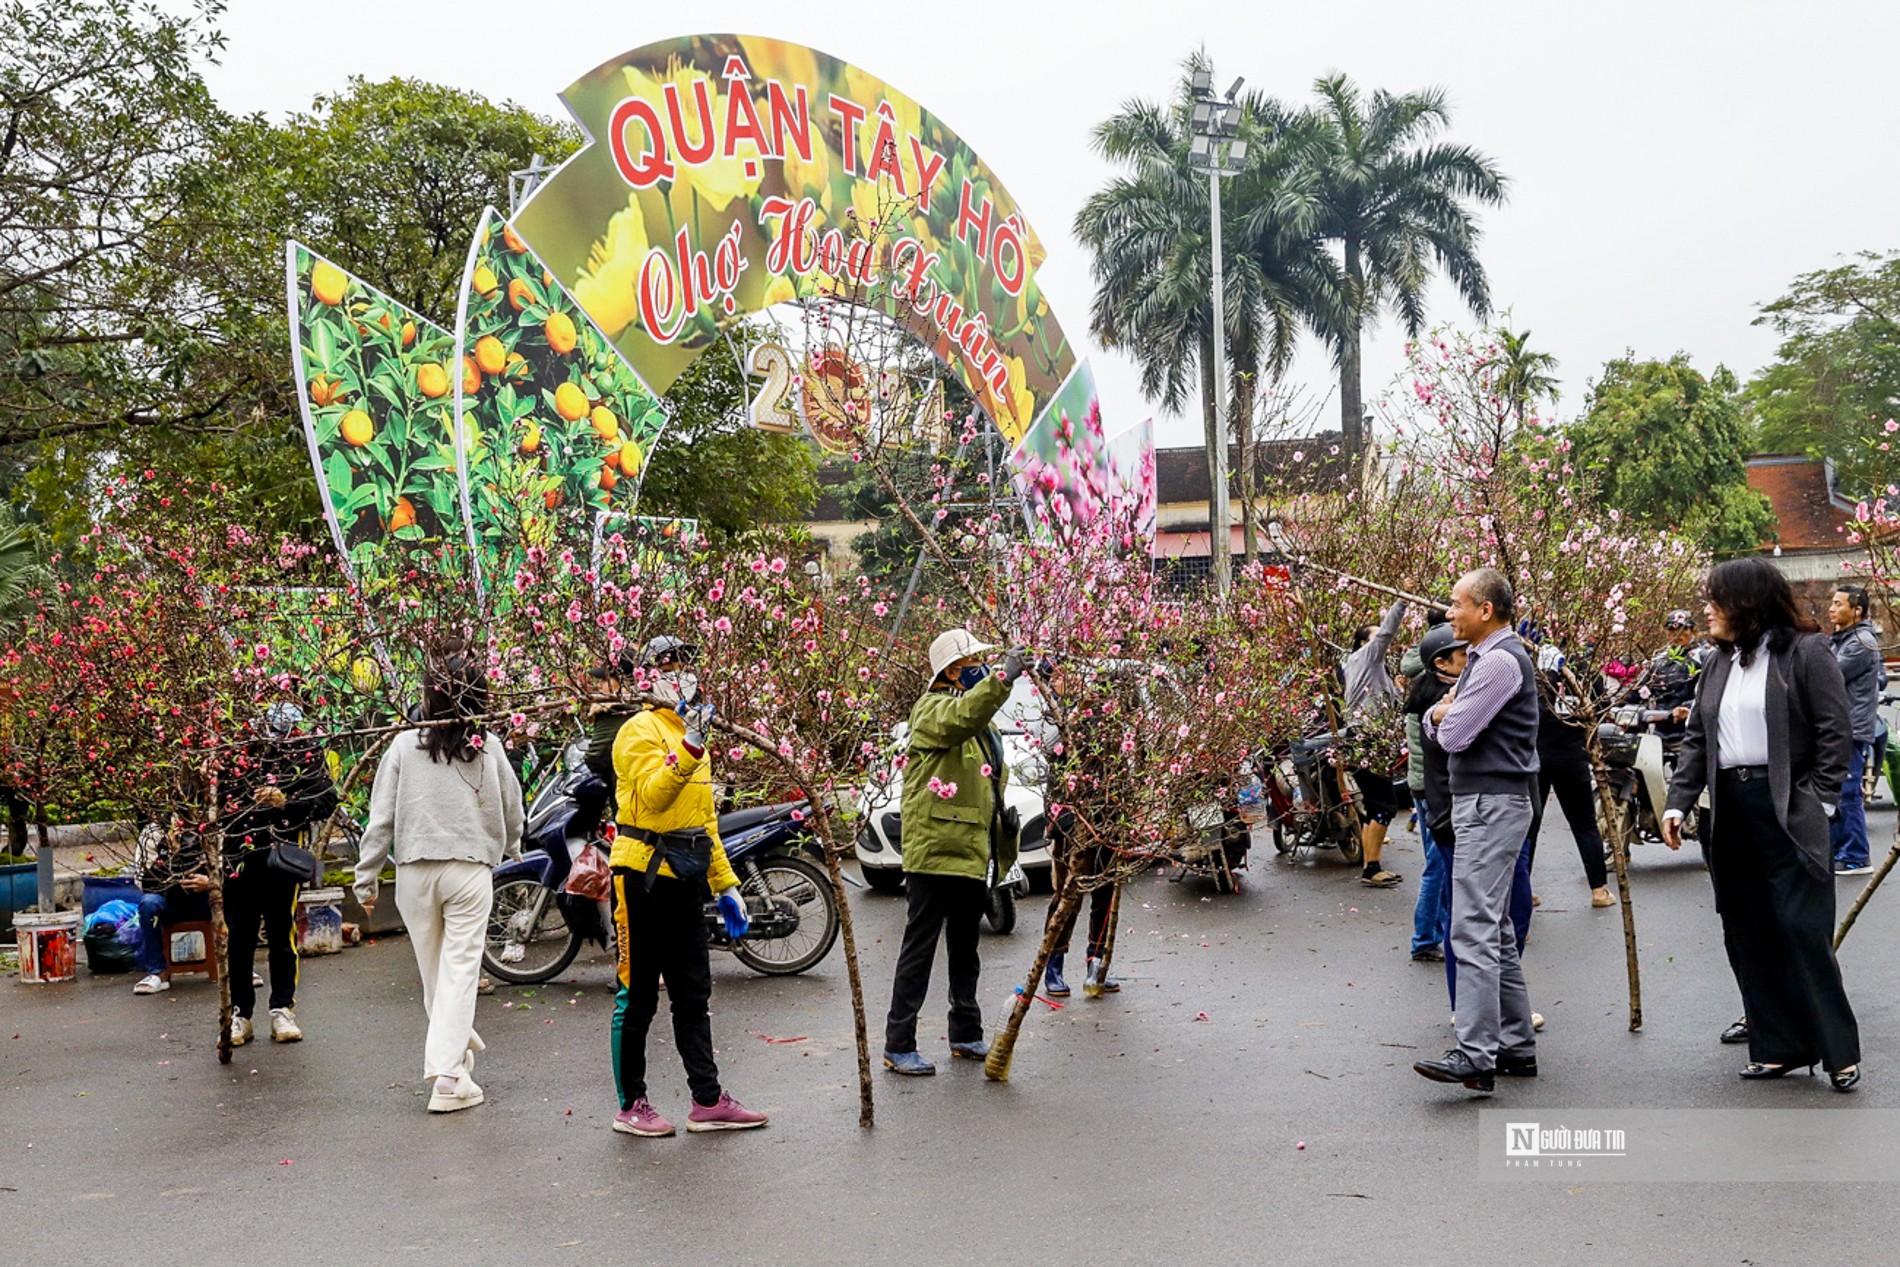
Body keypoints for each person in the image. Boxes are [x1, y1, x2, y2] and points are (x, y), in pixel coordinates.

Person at [1662, 558, 1861, 1092]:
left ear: (1747, 603)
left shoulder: (1806, 652)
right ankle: (1778, 1048)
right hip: (1729, 811)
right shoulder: (1717, 662)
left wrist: (1818, 802)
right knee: (1746, 930)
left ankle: (1838, 1051)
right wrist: (1678, 802)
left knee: (1801, 928)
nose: (1706, 609)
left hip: (1788, 808)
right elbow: (1700, 740)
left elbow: (1834, 732)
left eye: (1716, 599)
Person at [606, 635, 766, 1136]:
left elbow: (705, 820)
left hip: (687, 876)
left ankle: (708, 1099)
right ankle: (631, 1104)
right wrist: (690, 746)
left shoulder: (693, 729)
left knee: (694, 992)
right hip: (641, 875)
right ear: (647, 676)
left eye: (683, 663)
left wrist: (726, 884)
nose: (678, 672)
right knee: (638, 996)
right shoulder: (638, 731)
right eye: (666, 665)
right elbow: (654, 798)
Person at [354, 654, 524, 1114]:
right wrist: (513, 848)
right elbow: (512, 807)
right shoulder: (488, 745)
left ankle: (457, 1071)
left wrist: (365, 877)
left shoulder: (405, 744)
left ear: (430, 694)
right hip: (468, 869)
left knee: (436, 979)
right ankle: (449, 1079)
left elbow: (381, 818)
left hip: (414, 871)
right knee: (459, 973)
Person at [1414, 569, 1541, 1094]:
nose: (1449, 612)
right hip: (1487, 800)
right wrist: (1440, 713)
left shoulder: (1500, 662)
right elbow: (1435, 723)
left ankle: (1475, 1053)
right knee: (1496, 930)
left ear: (1485, 610)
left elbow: (1454, 734)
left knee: (1471, 927)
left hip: (1491, 802)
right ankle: (1514, 1044)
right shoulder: (1490, 659)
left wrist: (1443, 714)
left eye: (1457, 604)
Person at [883, 628, 1022, 1075]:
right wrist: (1001, 680)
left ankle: (965, 1032)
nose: (981, 667)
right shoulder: (932, 710)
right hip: (935, 849)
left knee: (966, 949)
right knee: (919, 950)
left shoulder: (980, 722)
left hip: (969, 849)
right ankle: (897, 1042)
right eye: (973, 663)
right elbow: (963, 716)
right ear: (952, 672)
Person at [221, 702, 337, 1046]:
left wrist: (286, 802)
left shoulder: (305, 752)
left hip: (281, 861)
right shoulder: (233, 751)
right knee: (238, 938)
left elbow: (327, 800)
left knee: (282, 935)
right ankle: (240, 1014)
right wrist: (248, 802)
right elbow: (213, 802)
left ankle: (282, 1009)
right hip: (238, 859)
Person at [1038, 662, 1118, 998]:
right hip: (1070, 820)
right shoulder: (1048, 714)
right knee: (1068, 895)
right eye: (1060, 674)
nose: (1071, 680)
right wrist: (1071, 716)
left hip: (1107, 814)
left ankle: (1096, 963)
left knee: (1105, 892)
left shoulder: (1101, 711)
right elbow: (1047, 746)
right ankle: (1053, 965)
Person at [1527, 641, 1614, 907]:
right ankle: (1598, 889)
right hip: (1572, 757)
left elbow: (1531, 713)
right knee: (1585, 825)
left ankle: (1522, 889)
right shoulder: (1584, 672)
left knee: (1530, 827)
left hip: (1538, 757)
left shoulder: (1536, 674)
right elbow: (1602, 706)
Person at [1342, 599, 1407, 888]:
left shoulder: (1366, 667)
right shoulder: (1365, 658)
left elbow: (1389, 702)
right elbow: (1386, 633)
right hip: (1368, 738)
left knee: (1373, 804)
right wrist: (1402, 601)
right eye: (1374, 636)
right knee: (1385, 805)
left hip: (1368, 738)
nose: (1382, 641)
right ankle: (1372, 868)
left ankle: (1371, 865)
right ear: (1362, 644)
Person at [1826, 584, 1883, 875]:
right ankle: (1839, 852)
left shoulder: (1860, 642)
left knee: (1847, 793)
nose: (1832, 608)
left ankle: (1857, 856)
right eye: (1832, 603)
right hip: (1838, 727)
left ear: (1856, 610)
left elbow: (1828, 675)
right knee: (1835, 792)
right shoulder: (1842, 638)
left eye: (1838, 604)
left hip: (1849, 728)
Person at [130, 818, 212, 995]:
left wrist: (211, 883)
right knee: (148, 904)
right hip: (168, 900)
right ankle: (157, 972)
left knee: (235, 897)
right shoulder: (153, 833)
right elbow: (143, 880)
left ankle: (239, 965)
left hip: (207, 897)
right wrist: (172, 856)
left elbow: (230, 869)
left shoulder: (213, 824)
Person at [1649, 610, 1708, 730]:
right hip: (1657, 727)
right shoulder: (1659, 659)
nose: (1676, 634)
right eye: (1671, 630)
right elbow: (1639, 688)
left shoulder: (1704, 656)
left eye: (1683, 629)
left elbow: (1711, 695)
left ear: (1693, 631)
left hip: (1690, 730)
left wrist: (1689, 706)